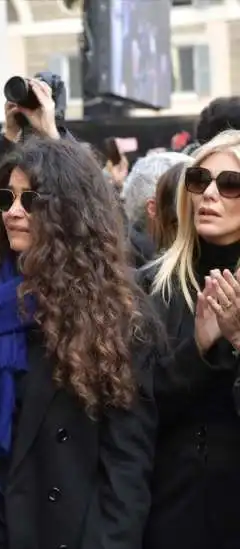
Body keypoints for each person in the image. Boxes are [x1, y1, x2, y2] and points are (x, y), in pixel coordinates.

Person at [0, 138, 159, 549]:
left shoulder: (115, 315)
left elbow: (126, 463)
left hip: (63, 532)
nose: (14, 211)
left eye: (31, 199)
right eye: (6, 197)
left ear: (69, 210)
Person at [142, 130, 240, 549]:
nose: (210, 194)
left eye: (230, 184)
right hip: (169, 511)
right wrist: (197, 352)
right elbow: (132, 407)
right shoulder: (150, 287)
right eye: (199, 180)